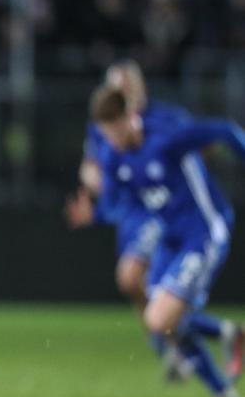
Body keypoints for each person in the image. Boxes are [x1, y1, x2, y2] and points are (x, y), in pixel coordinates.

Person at [67, 61, 243, 380]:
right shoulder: (113, 153)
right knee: (151, 307)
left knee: (152, 301)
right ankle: (216, 368)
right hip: (162, 226)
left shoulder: (166, 128)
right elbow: (113, 193)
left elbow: (221, 134)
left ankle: (205, 344)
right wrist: (96, 213)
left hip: (197, 228)